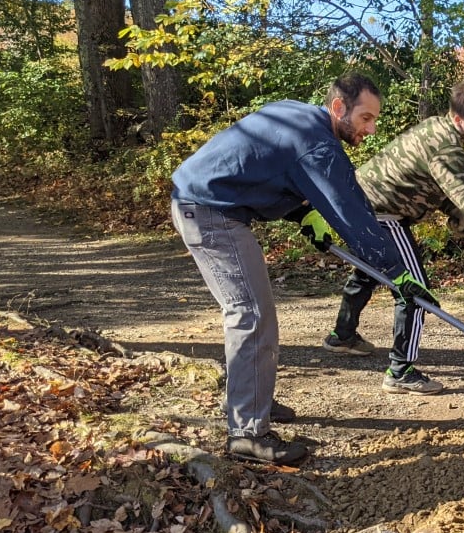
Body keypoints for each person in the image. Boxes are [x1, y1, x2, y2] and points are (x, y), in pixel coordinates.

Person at [171, 73, 428, 464]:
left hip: (209, 205)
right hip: (210, 213)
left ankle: (252, 400)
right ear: (339, 107)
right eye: (366, 118)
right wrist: (397, 272)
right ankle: (247, 434)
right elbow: (351, 212)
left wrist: (303, 215)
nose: (371, 129)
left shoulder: (298, 117)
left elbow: (268, 168)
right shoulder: (317, 143)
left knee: (254, 313)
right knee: (251, 316)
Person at [322, 80, 464, 394]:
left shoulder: (434, 129)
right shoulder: (447, 148)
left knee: (368, 273)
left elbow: (436, 190)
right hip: (382, 215)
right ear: (458, 120)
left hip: (360, 207)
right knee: (415, 292)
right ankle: (401, 370)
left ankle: (342, 336)